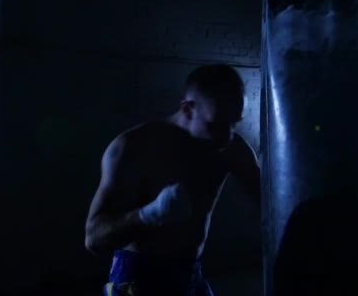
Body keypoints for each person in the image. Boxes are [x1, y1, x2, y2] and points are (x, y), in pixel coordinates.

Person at [84, 64, 260, 296]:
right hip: (136, 278)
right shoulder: (133, 147)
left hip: (190, 274)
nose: (226, 136)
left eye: (233, 123)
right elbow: (94, 239)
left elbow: (270, 203)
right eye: (215, 124)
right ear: (188, 110)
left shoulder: (232, 148)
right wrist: (150, 214)